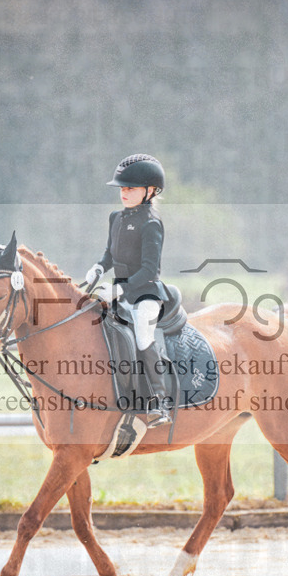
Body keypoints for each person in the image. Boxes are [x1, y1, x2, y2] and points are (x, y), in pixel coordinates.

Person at [85, 154, 173, 427]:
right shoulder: (116, 218)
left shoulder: (151, 223)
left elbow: (149, 270)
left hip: (145, 293)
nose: (124, 193)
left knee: (143, 335)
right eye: (122, 188)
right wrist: (99, 268)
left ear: (150, 191)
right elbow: (110, 253)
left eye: (130, 188)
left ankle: (160, 402)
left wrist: (120, 289)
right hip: (119, 290)